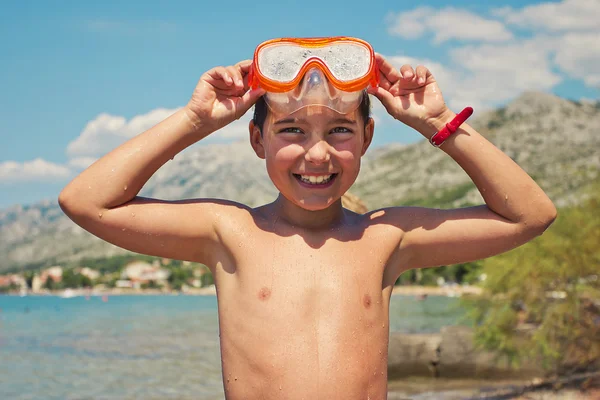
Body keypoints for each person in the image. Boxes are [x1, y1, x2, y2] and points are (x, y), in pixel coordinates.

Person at [59, 37, 556, 399]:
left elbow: (529, 216)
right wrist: (195, 121)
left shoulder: (384, 238)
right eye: (291, 129)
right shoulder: (229, 233)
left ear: (366, 138)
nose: (317, 153)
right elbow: (87, 201)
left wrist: (435, 124)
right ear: (257, 140)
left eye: (340, 130)